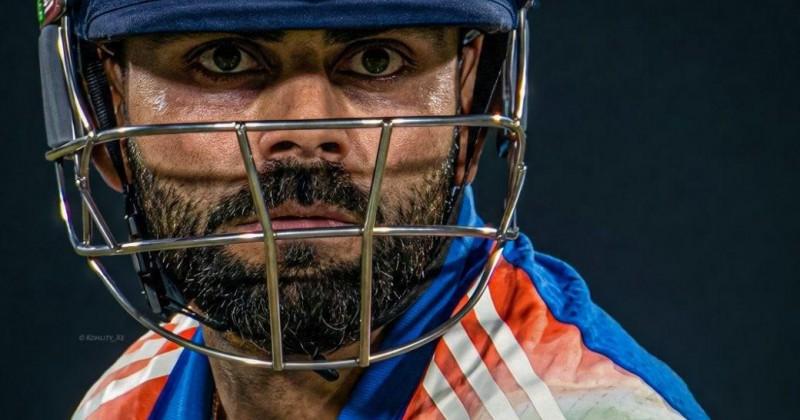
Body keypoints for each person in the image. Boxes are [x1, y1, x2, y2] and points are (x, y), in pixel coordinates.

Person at [38, 0, 707, 418]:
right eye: (225, 58)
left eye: (377, 59)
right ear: (107, 113)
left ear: (469, 106)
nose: (306, 130)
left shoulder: (588, 409)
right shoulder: (121, 404)